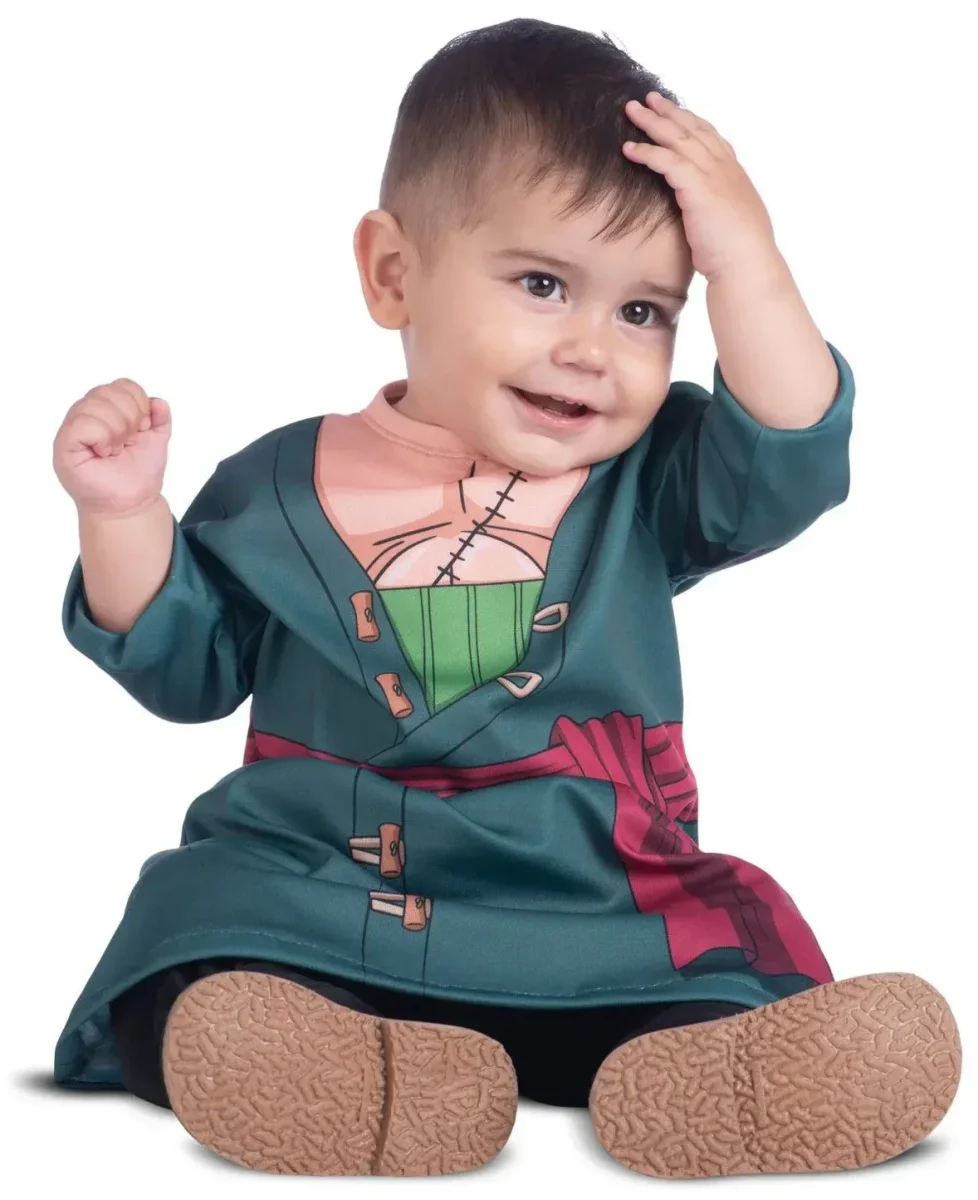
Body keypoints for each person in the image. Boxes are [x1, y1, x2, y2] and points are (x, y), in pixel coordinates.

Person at [50, 16, 960, 1181]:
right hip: (321, 894)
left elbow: (793, 451)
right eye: (543, 284)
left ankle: (709, 1078)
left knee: (711, 969)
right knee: (195, 956)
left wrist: (750, 263)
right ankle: (350, 1075)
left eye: (644, 312)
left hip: (588, 903)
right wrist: (125, 515)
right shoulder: (276, 487)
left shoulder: (650, 482)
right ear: (394, 274)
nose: (593, 348)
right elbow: (183, 668)